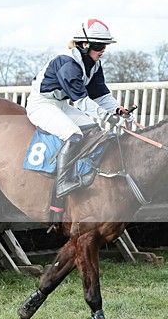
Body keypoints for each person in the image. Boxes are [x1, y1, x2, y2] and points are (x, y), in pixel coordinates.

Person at [25, 18, 131, 223]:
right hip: (41, 105)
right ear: (84, 45)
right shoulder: (68, 63)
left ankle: (82, 172)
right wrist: (106, 116)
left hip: (61, 105)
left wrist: (117, 109)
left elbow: (100, 95)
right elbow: (81, 101)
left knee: (93, 130)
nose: (103, 51)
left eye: (105, 46)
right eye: (99, 46)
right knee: (73, 134)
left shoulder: (94, 64)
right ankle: (63, 182)